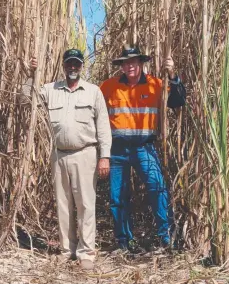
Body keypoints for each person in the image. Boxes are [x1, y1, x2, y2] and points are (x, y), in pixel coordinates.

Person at [21, 49, 112, 270]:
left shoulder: (93, 92)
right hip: (59, 154)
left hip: (86, 153)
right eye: (69, 64)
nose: (73, 67)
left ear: (81, 66)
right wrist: (31, 74)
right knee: (63, 204)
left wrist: (105, 157)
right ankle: (66, 249)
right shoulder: (50, 90)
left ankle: (86, 252)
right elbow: (25, 99)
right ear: (64, 65)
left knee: (85, 204)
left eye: (76, 64)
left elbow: (103, 127)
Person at [100, 45, 186, 253]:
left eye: (134, 62)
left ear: (141, 63)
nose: (129, 66)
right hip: (117, 150)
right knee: (117, 197)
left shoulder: (156, 84)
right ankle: (123, 242)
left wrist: (172, 74)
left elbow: (178, 101)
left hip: (144, 148)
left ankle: (165, 238)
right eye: (125, 63)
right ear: (121, 66)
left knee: (158, 189)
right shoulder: (107, 87)